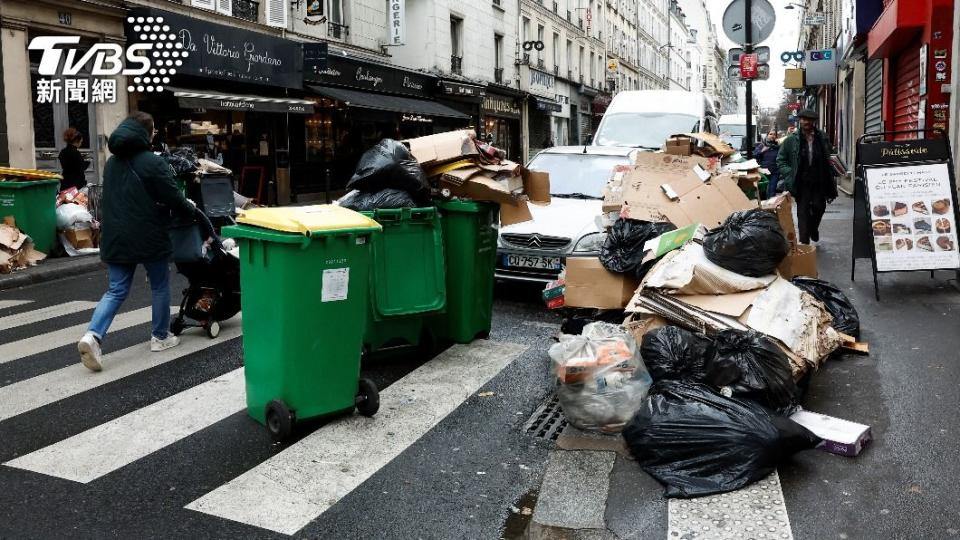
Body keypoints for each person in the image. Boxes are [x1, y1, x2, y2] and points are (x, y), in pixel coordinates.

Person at [77, 112, 197, 372]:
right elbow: (173, 197)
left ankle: (93, 336)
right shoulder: (152, 163)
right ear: (147, 133)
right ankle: (160, 336)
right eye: (153, 131)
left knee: (116, 290)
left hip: (116, 236)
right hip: (148, 235)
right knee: (159, 285)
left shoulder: (111, 164)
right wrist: (190, 210)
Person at [776, 109, 837, 244]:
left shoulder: (822, 137)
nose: (805, 122)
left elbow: (830, 156)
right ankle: (804, 243)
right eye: (803, 119)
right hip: (801, 181)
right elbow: (781, 160)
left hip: (819, 180)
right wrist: (789, 173)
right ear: (799, 121)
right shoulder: (791, 140)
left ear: (814, 121)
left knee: (819, 208)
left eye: (809, 120)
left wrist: (834, 167)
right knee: (802, 212)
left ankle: (813, 229)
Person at [58, 127, 89, 192]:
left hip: (65, 183)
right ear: (77, 141)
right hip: (76, 185)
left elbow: (66, 166)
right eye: (81, 142)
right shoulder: (76, 153)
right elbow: (80, 168)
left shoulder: (63, 152)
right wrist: (87, 163)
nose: (81, 143)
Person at [753, 129, 780, 199]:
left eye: (774, 134)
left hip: (775, 172)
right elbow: (754, 155)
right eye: (771, 134)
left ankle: (771, 207)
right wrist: (762, 151)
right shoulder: (761, 145)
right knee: (762, 191)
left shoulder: (778, 147)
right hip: (763, 172)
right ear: (767, 135)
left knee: (772, 191)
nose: (772, 136)